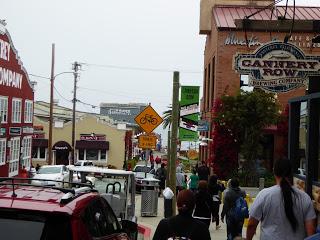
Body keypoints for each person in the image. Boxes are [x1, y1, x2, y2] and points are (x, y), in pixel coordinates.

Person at [246, 158, 316, 240]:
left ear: (274, 172)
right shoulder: (304, 198)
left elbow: (251, 225)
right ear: (290, 173)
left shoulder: (264, 195)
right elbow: (311, 232)